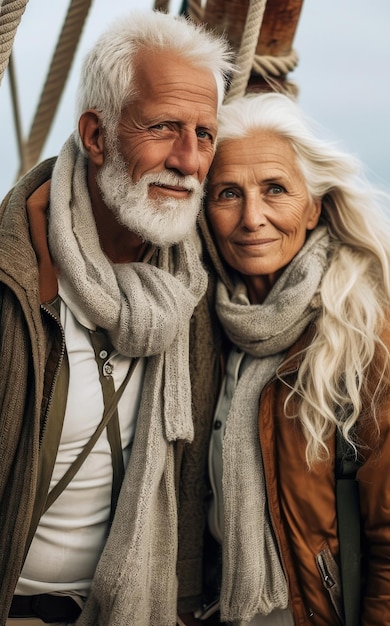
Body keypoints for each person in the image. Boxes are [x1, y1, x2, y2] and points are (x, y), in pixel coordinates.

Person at [0, 10, 234, 626]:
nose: (188, 161)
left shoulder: (200, 281)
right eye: (163, 127)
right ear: (97, 135)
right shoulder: (13, 279)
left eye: (204, 134)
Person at [192, 92, 390, 625]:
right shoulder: (207, 326)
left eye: (275, 189)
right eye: (228, 193)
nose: (253, 218)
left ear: (314, 205)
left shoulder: (367, 336)